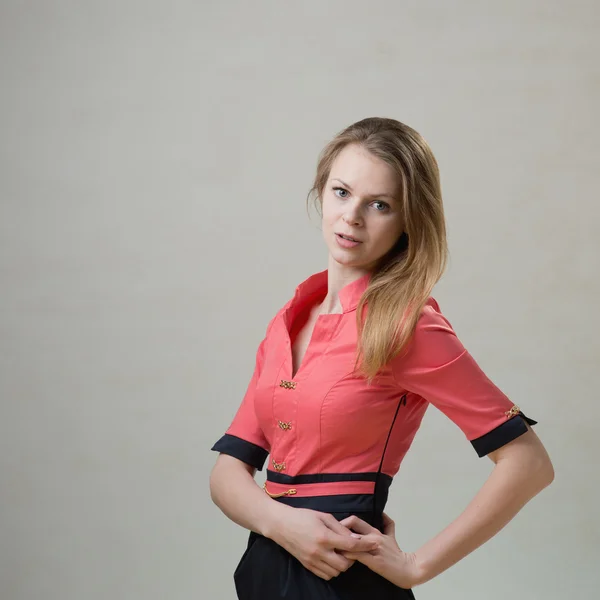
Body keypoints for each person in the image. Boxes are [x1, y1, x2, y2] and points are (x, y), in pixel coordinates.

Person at [209, 117, 554, 599]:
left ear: (408, 221)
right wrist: (283, 526)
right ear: (320, 193)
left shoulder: (407, 326)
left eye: (380, 205)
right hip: (265, 570)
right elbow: (227, 472)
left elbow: (528, 462)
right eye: (342, 192)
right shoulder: (288, 320)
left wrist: (417, 566)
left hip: (347, 581)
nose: (352, 217)